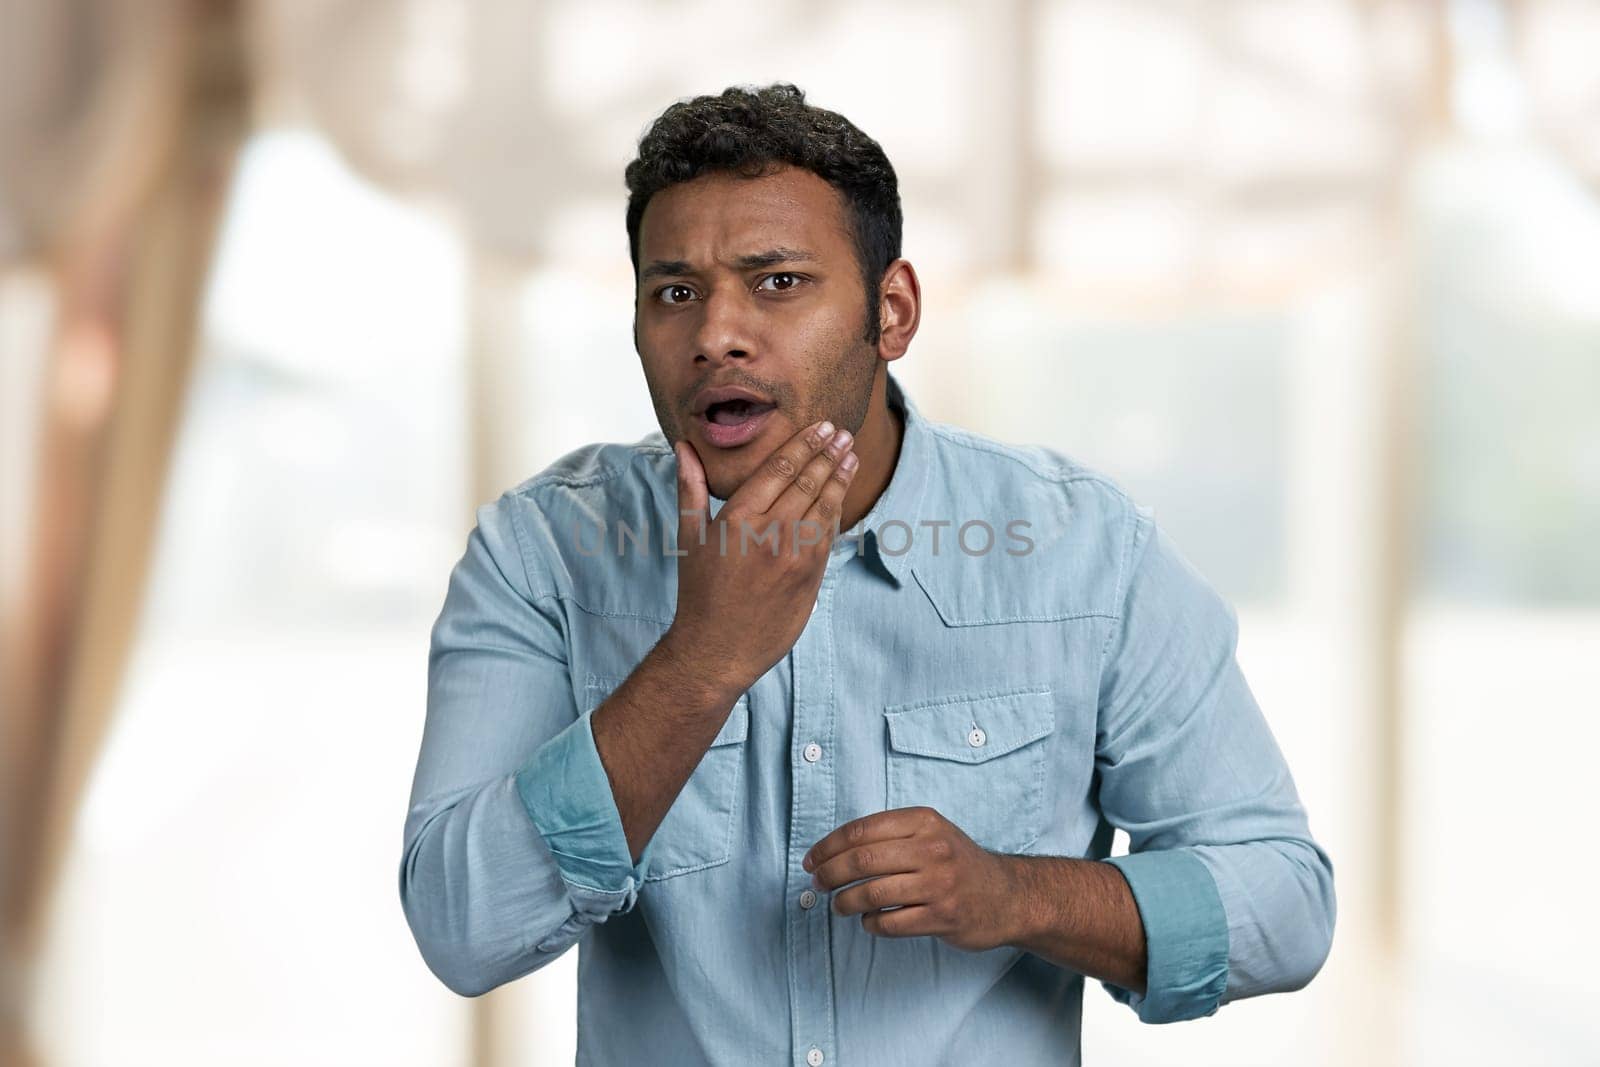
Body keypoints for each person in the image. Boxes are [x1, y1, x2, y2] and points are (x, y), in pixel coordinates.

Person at [400, 83, 1334, 1066]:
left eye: (777, 282)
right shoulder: (542, 551)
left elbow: (1283, 900)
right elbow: (461, 925)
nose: (716, 332)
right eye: (673, 291)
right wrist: (700, 662)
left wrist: (1019, 892)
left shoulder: (1083, 552)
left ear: (890, 312)